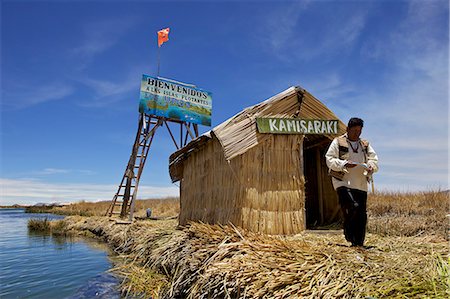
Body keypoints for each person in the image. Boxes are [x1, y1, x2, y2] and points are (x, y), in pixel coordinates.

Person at [325, 117, 378, 247]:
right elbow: (329, 159)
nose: (357, 134)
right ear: (348, 129)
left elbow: (373, 159)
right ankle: (349, 233)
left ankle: (358, 242)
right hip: (342, 182)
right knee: (352, 207)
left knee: (361, 213)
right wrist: (343, 164)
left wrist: (371, 166)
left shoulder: (364, 145)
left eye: (359, 131)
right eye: (354, 130)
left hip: (360, 184)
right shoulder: (338, 142)